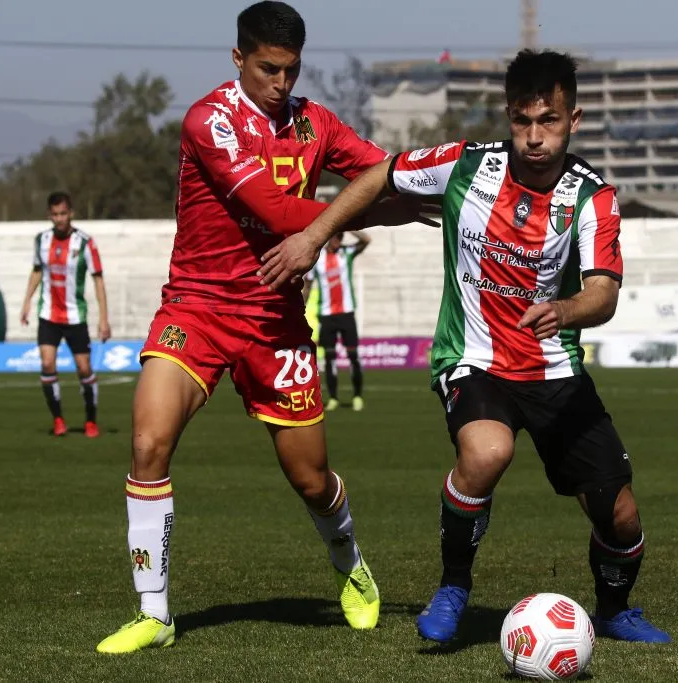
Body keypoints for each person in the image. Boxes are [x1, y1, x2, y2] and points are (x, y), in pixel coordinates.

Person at [259, 49, 671, 645]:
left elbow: (603, 294)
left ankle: (615, 611)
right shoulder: (465, 163)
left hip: (555, 371)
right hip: (474, 360)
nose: (534, 137)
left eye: (549, 121)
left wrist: (565, 309)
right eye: (522, 121)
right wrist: (315, 235)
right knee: (485, 454)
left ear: (573, 120)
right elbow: (381, 174)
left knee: (621, 514)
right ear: (508, 116)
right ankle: (454, 585)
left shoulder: (592, 197)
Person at [94, 1, 430, 654]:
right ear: (238, 58)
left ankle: (351, 563)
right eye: (269, 68)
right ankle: (155, 612)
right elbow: (273, 208)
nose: (281, 83)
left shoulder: (316, 124)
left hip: (274, 322)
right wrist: (382, 215)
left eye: (291, 70)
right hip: (195, 307)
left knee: (311, 478)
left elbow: (383, 170)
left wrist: (446, 186)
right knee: (147, 442)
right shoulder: (209, 121)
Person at [20, 191, 110, 438]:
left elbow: (98, 279)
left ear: (71, 213)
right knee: (47, 362)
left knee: (83, 368)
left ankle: (91, 420)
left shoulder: (85, 242)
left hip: (74, 317)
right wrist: (27, 302)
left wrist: (104, 318)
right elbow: (37, 271)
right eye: (55, 214)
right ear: (49, 215)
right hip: (48, 314)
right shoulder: (42, 240)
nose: (59, 219)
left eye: (63, 213)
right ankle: (58, 419)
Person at [302, 231, 370, 411]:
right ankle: (333, 398)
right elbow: (307, 285)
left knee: (353, 357)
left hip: (346, 314)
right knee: (330, 359)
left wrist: (348, 226)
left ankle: (356, 396)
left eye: (341, 237)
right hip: (327, 315)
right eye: (336, 237)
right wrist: (301, 307)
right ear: (329, 238)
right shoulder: (317, 259)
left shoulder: (346, 253)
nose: (339, 241)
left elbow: (366, 240)